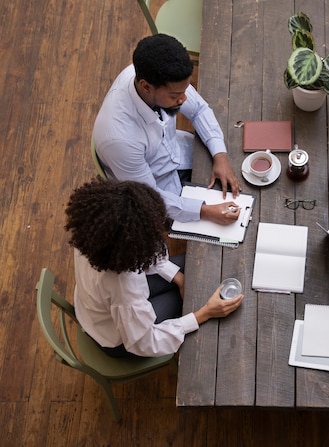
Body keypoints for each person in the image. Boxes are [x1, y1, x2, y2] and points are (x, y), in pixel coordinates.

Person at [65, 178, 243, 357]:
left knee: (195, 270)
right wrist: (203, 314)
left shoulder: (94, 236)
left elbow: (146, 254)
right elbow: (146, 343)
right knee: (191, 298)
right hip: (121, 339)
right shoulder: (122, 287)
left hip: (102, 305)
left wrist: (178, 277)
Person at [93, 33, 242, 225]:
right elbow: (148, 195)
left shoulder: (157, 74)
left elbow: (199, 110)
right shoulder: (119, 139)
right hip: (158, 189)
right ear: (146, 87)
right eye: (175, 96)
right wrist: (204, 212)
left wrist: (220, 155)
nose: (184, 99)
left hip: (180, 153)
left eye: (185, 90)